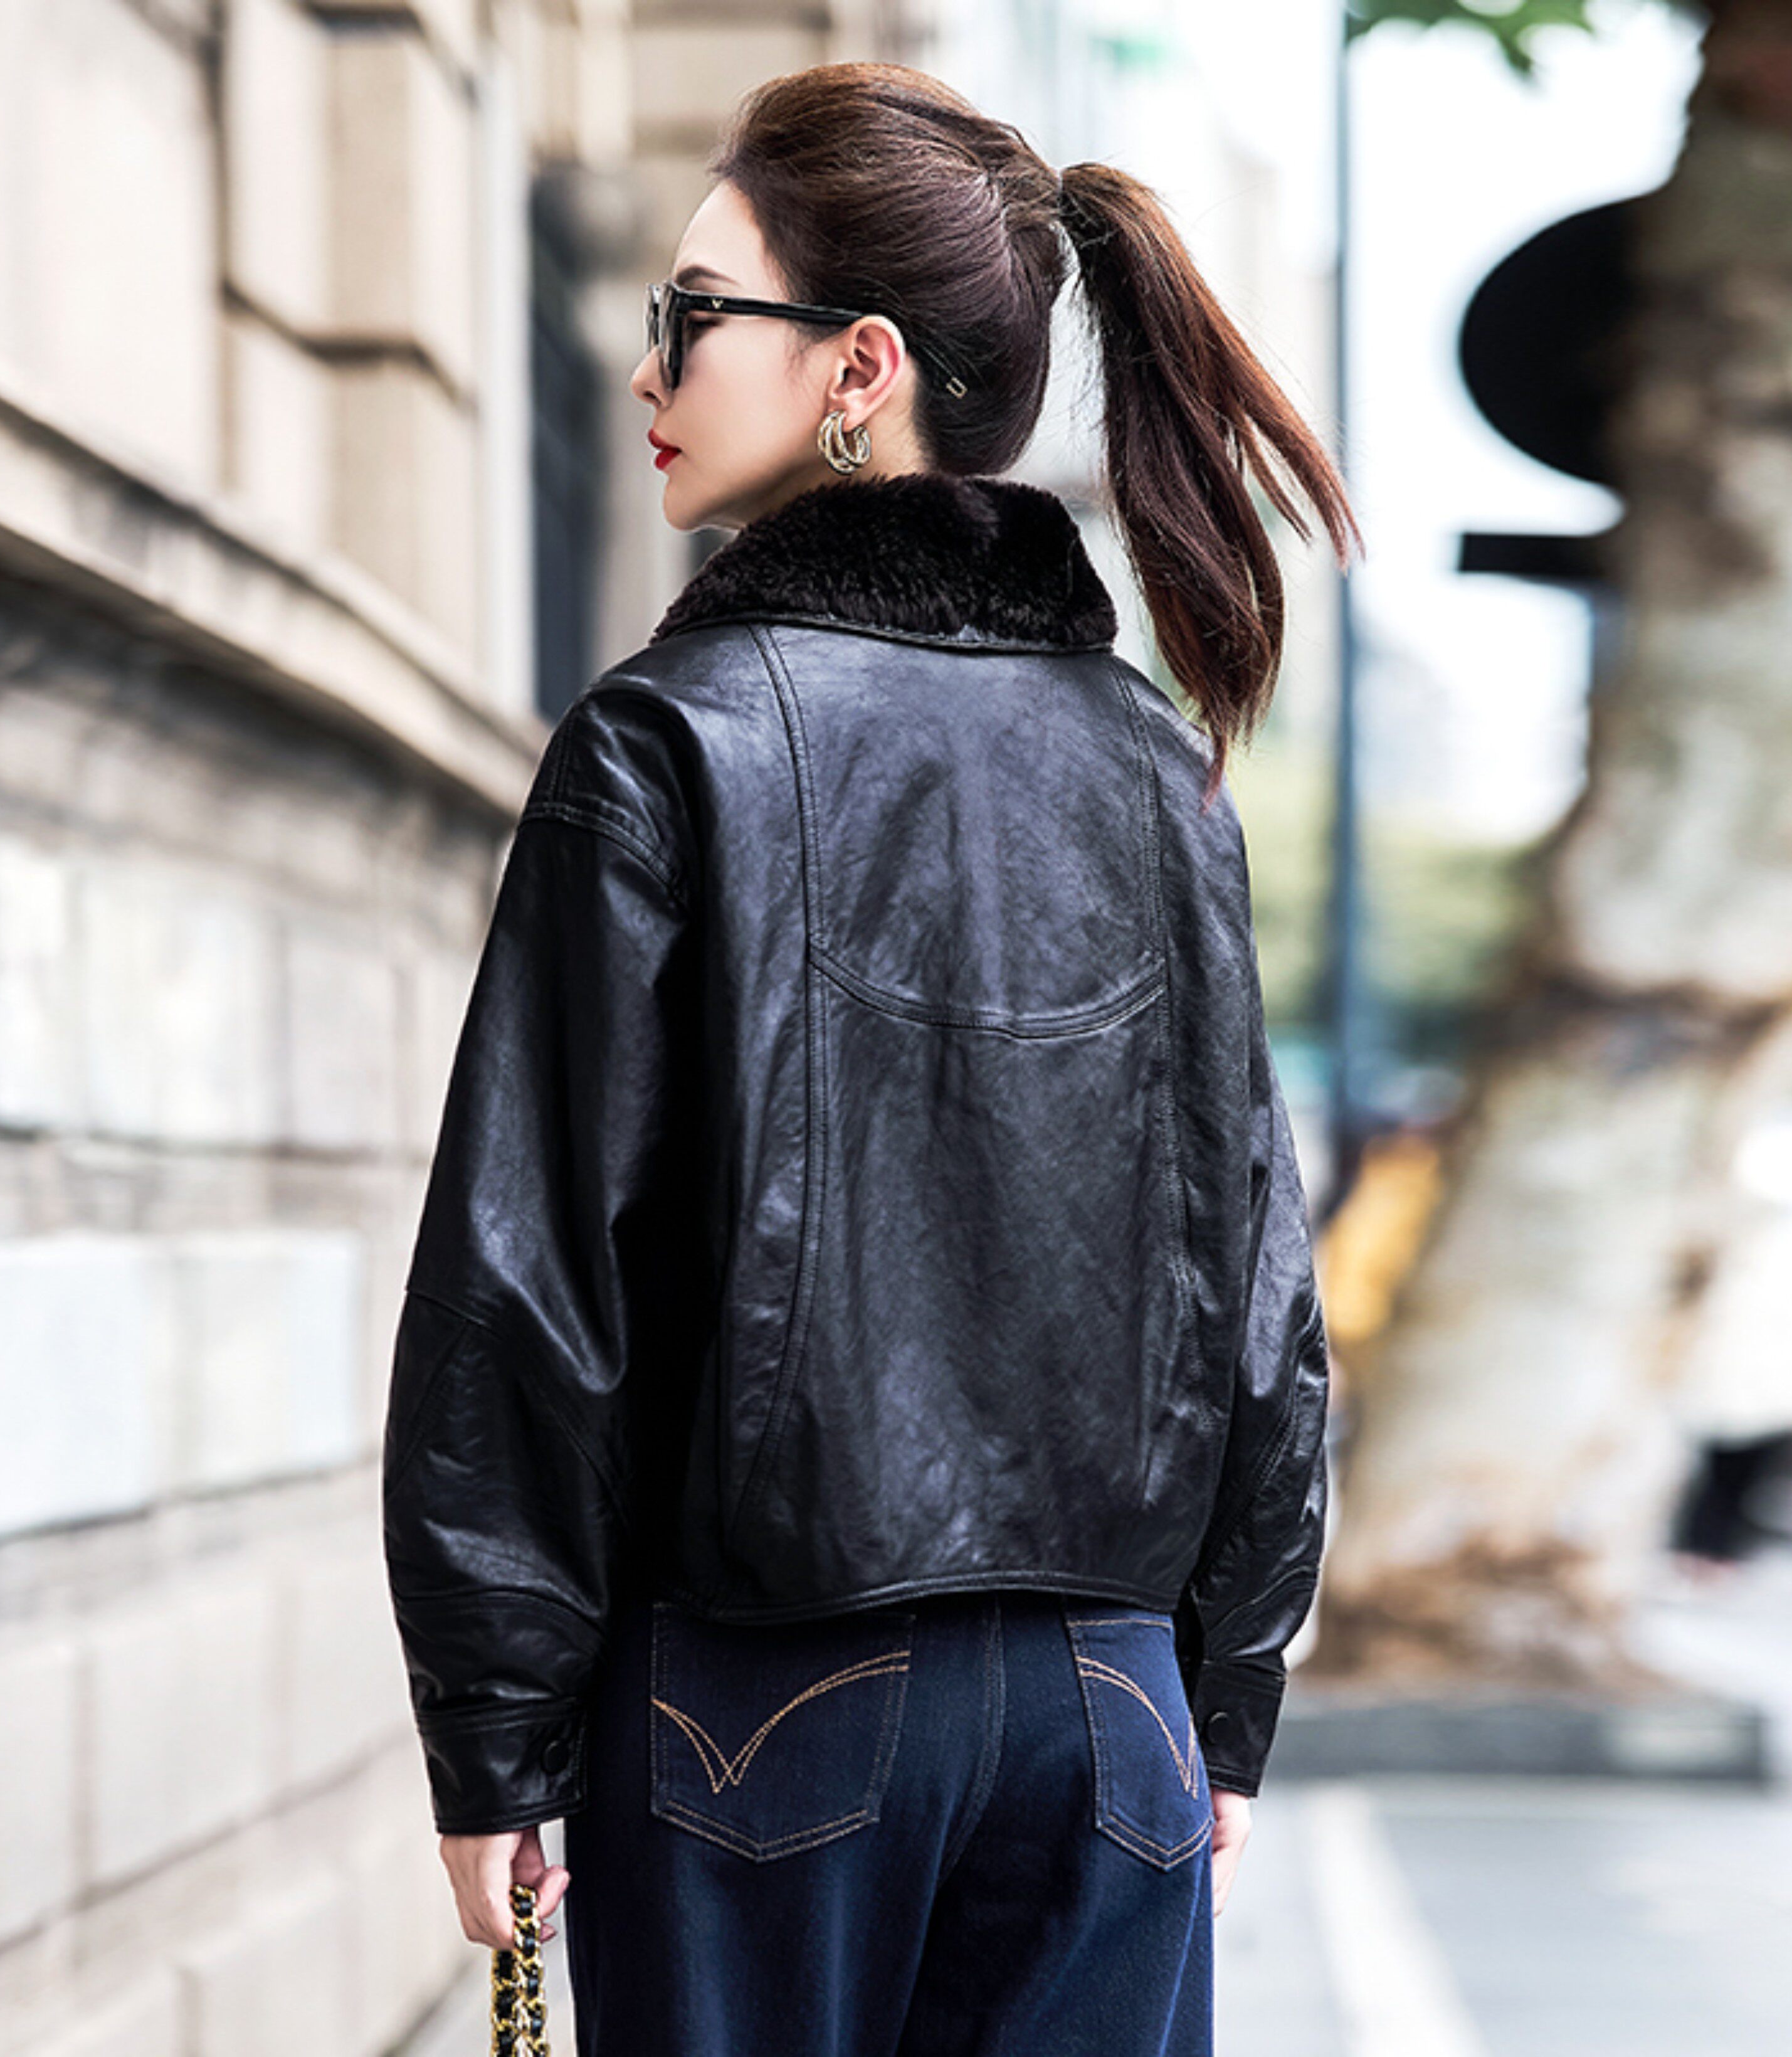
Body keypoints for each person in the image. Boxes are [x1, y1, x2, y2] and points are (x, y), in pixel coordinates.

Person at [382, 60, 1360, 2056]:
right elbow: (1259, 1284)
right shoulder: (1157, 776)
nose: (646, 367)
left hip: (760, 1711)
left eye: (690, 312)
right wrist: (1223, 1695)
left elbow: (530, 1276)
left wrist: (493, 1732)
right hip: (1109, 1711)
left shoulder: (672, 741)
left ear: (861, 368)